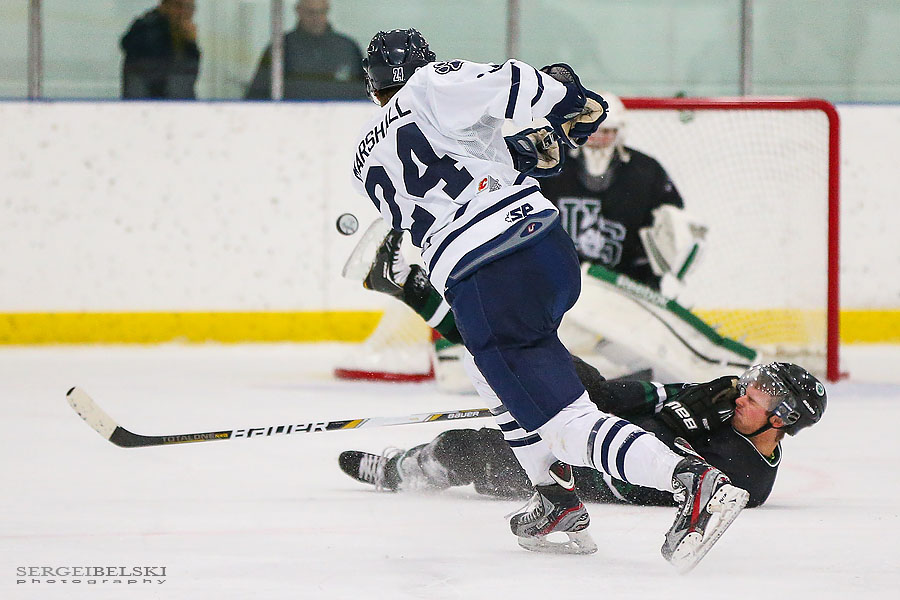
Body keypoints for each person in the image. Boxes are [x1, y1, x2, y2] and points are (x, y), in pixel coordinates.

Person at [349, 28, 749, 569]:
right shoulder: (436, 87)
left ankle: (691, 480)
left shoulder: (367, 156)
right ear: (424, 63)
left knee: (567, 426)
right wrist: (570, 104)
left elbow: (459, 171)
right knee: (484, 368)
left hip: (488, 273)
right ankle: (555, 500)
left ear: (375, 89)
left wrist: (548, 123)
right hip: (541, 251)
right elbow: (511, 96)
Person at [339, 361, 827, 509]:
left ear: (779, 419)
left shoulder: (745, 478)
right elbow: (662, 397)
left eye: (759, 397)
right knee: (550, 359)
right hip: (604, 433)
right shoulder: (730, 404)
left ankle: (401, 471)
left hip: (591, 472)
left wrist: (586, 415)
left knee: (473, 449)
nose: (744, 395)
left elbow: (651, 465)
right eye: (750, 387)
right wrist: (604, 394)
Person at [245, 0, 366, 100]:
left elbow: (368, 93)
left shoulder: (348, 48)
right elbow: (256, 95)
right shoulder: (280, 48)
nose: (317, 18)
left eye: (321, 12)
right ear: (298, 11)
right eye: (311, 12)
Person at [120, 0, 201, 99]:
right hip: (149, 106)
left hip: (179, 106)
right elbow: (167, 73)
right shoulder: (146, 31)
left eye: (189, 7)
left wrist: (190, 44)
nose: (184, 12)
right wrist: (189, 43)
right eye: (178, 6)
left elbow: (188, 78)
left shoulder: (182, 35)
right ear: (164, 6)